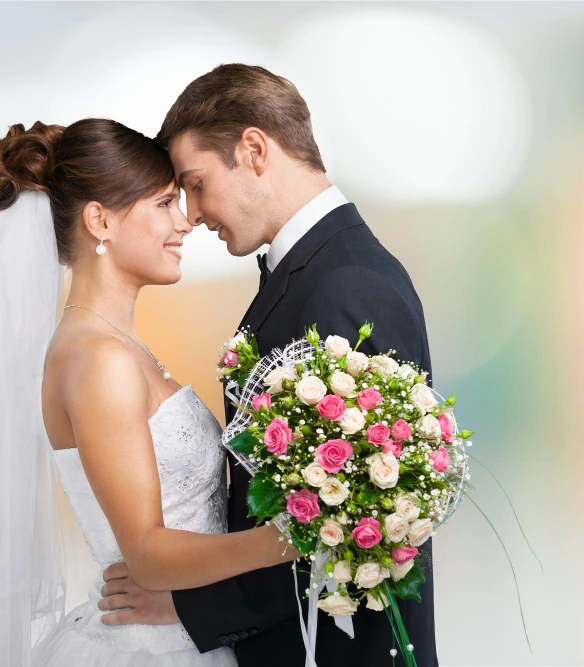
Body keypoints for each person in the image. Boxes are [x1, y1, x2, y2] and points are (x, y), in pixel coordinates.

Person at [0, 117, 299, 667]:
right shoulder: (98, 360)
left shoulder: (115, 347)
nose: (185, 222)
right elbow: (148, 555)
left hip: (188, 634)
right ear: (100, 221)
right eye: (164, 203)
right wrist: (293, 538)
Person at [99, 64, 438, 667]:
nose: (194, 213)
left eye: (196, 183)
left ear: (254, 149)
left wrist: (193, 606)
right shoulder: (312, 271)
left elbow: (364, 522)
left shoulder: (347, 286)